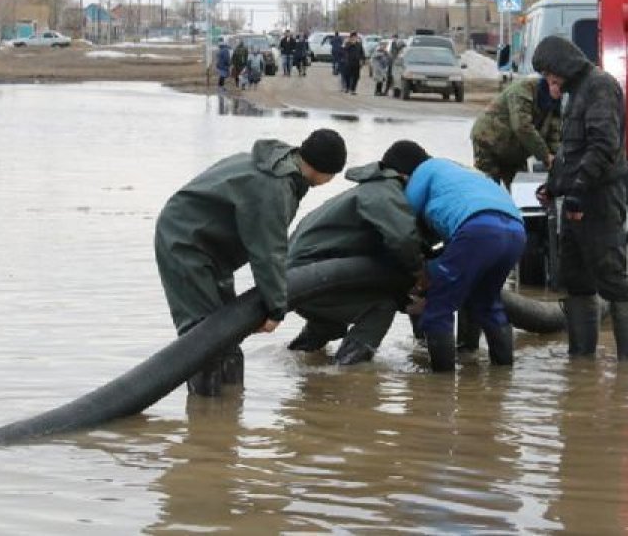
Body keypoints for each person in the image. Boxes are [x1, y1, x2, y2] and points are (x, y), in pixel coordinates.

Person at [154, 129, 347, 396]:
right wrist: (276, 309)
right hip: (185, 244)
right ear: (326, 172)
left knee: (226, 339)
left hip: (209, 248)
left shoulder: (275, 165)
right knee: (203, 340)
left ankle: (228, 409)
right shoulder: (274, 186)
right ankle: (209, 419)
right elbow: (269, 252)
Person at [531, 35, 628, 361]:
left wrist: (578, 192)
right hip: (575, 201)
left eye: (549, 72)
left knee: (612, 277)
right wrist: (553, 186)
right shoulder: (574, 93)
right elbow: (569, 151)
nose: (547, 80)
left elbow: (602, 146)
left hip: (600, 199)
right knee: (575, 280)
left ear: (563, 64)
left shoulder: (599, 86)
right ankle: (581, 361)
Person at [383, 140, 525, 372]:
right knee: (488, 304)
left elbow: (405, 221)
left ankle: (442, 384)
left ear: (402, 174)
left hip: (478, 230)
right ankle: (503, 375)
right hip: (516, 231)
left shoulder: (423, 171)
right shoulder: (459, 170)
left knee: (439, 307)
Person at [286, 145, 427, 365]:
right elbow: (403, 240)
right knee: (381, 306)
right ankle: (349, 372)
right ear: (409, 175)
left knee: (329, 324)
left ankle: (296, 360)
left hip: (301, 276)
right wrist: (420, 272)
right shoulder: (384, 191)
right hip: (311, 277)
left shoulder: (368, 189)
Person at [470, 76, 562, 187]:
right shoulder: (523, 90)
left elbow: (554, 133)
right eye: (555, 84)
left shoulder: (555, 102)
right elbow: (522, 127)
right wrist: (545, 155)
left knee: (521, 188)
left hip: (516, 151)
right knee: (489, 187)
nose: (559, 90)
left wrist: (554, 159)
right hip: (490, 142)